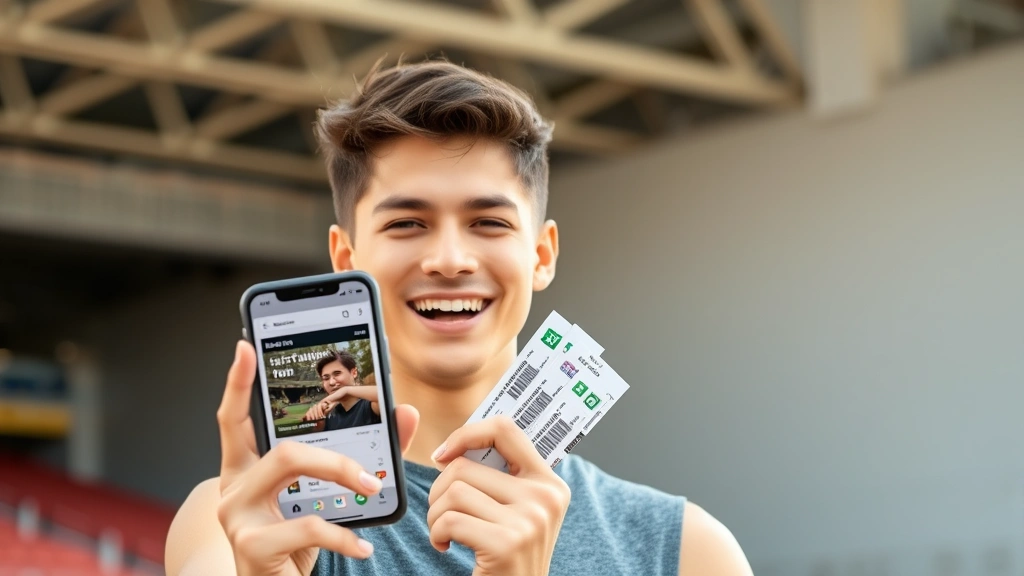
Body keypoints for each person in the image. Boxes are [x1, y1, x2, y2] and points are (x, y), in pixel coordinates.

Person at [165, 60, 754, 576]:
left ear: (541, 255)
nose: (449, 260)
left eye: (489, 222)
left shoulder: (684, 552)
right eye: (406, 224)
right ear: (347, 259)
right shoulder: (241, 523)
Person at [303, 350, 381, 430]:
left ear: (354, 373)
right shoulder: (328, 415)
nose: (332, 382)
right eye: (326, 378)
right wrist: (318, 427)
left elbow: (387, 394)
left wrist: (346, 390)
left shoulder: (369, 406)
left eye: (337, 374)